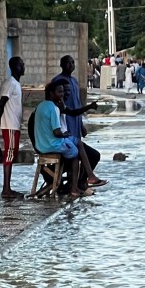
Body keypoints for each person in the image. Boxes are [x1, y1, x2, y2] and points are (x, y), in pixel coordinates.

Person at [52, 55, 105, 192]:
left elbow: (77, 105)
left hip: (75, 125)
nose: (71, 65)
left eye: (72, 62)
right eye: (68, 63)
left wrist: (81, 125)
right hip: (65, 126)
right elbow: (69, 110)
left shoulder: (74, 82)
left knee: (79, 154)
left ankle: (79, 182)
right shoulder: (58, 82)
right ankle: (73, 184)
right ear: (62, 65)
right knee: (74, 155)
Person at [0, 56, 26, 199]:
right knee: (9, 156)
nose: (23, 67)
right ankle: (6, 188)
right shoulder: (10, 83)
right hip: (9, 125)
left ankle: (8, 187)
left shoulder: (16, 84)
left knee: (11, 155)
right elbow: (1, 104)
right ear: (14, 67)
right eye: (20, 65)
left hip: (15, 126)